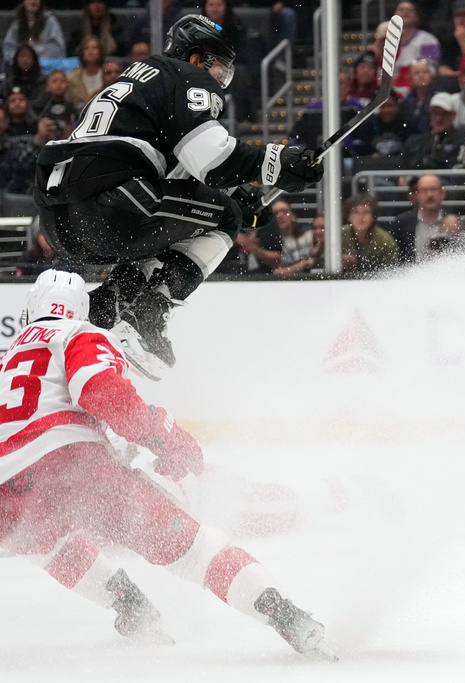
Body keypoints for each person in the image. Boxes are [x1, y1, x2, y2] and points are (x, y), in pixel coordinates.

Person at [0, 270, 331, 657]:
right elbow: (101, 391)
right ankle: (283, 613)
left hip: (6, 489)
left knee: (45, 544)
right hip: (71, 463)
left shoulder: (6, 361)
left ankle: (131, 606)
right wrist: (168, 439)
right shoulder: (77, 334)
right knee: (191, 551)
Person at [33, 15, 324, 380]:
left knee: (182, 225)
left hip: (63, 221)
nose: (221, 80)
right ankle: (148, 316)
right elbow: (212, 160)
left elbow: (179, 167)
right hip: (112, 206)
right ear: (196, 58)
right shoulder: (186, 76)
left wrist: (238, 193)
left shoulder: (139, 79)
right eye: (220, 68)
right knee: (224, 220)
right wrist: (277, 161)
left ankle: (105, 307)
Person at [389, 173, 449, 263]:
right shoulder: (401, 223)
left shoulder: (453, 222)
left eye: (433, 189)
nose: (429, 195)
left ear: (442, 193)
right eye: (424, 190)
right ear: (417, 194)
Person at [401, 92, 465, 171]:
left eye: (444, 114)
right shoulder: (415, 142)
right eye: (435, 113)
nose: (439, 119)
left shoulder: (463, 140)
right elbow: (402, 167)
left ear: (453, 115)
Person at [392, 1, 441, 96]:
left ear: (416, 16)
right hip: (390, 92)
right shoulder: (386, 41)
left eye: (409, 10)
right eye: (401, 10)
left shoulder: (427, 40)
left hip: (415, 91)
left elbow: (430, 69)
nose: (405, 12)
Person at [341, 194, 399, 274]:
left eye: (366, 212)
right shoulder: (339, 236)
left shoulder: (385, 240)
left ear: (373, 217)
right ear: (348, 216)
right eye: (356, 212)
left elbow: (392, 269)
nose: (361, 217)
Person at [2, 0, 66, 67]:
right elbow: (8, 49)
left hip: (45, 70)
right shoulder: (17, 24)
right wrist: (20, 58)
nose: (33, 1)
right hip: (20, 72)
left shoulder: (50, 22)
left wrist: (33, 54)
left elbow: (58, 50)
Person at [66, 36, 106, 108]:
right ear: (82, 52)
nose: (90, 51)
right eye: (87, 48)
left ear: (100, 51)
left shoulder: (107, 73)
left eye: (95, 48)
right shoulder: (73, 77)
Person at [399, 59, 436, 135]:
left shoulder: (438, 98)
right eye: (416, 73)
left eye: (425, 72)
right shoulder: (404, 102)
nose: (421, 76)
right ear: (410, 78)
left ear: (432, 76)